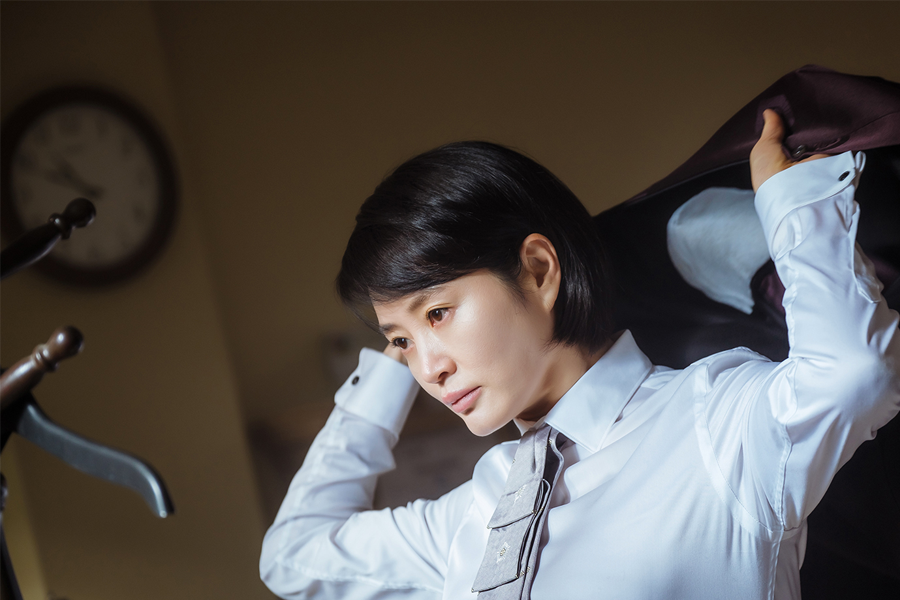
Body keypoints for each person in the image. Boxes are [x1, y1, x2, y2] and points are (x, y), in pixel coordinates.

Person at [259, 111, 900, 599]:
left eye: (437, 313)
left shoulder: (714, 423)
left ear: (538, 270)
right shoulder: (477, 509)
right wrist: (387, 373)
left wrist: (796, 205)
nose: (429, 368)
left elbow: (853, 375)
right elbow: (293, 557)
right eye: (401, 341)